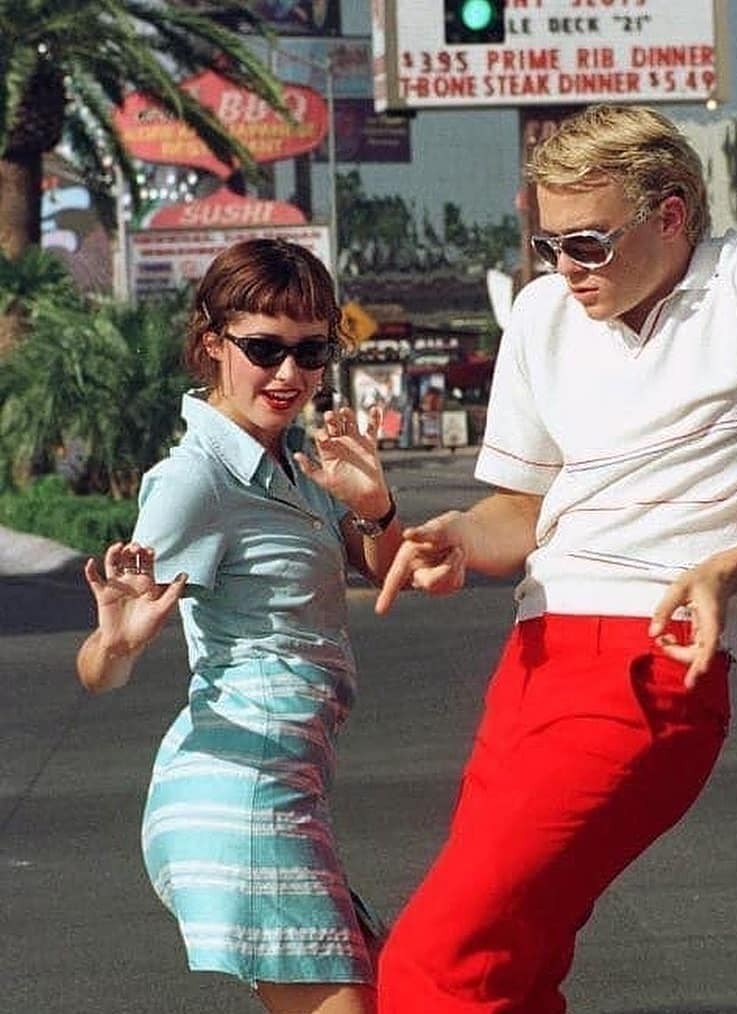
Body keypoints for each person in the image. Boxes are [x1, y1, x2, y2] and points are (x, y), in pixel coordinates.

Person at [372, 104, 737, 1013]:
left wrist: (732, 567)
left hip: (653, 661)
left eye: (588, 243)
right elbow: (521, 511)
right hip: (533, 660)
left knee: (438, 962)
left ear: (671, 215)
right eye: (546, 244)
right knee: (513, 966)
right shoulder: (542, 315)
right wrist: (458, 534)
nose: (566, 269)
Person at [76, 238, 401, 1014]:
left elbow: (384, 569)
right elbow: (102, 668)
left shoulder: (286, 466)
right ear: (212, 343)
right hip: (238, 796)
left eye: (311, 351)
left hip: (284, 790)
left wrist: (374, 507)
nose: (289, 375)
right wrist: (116, 642)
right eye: (263, 348)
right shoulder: (196, 478)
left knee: (399, 986)